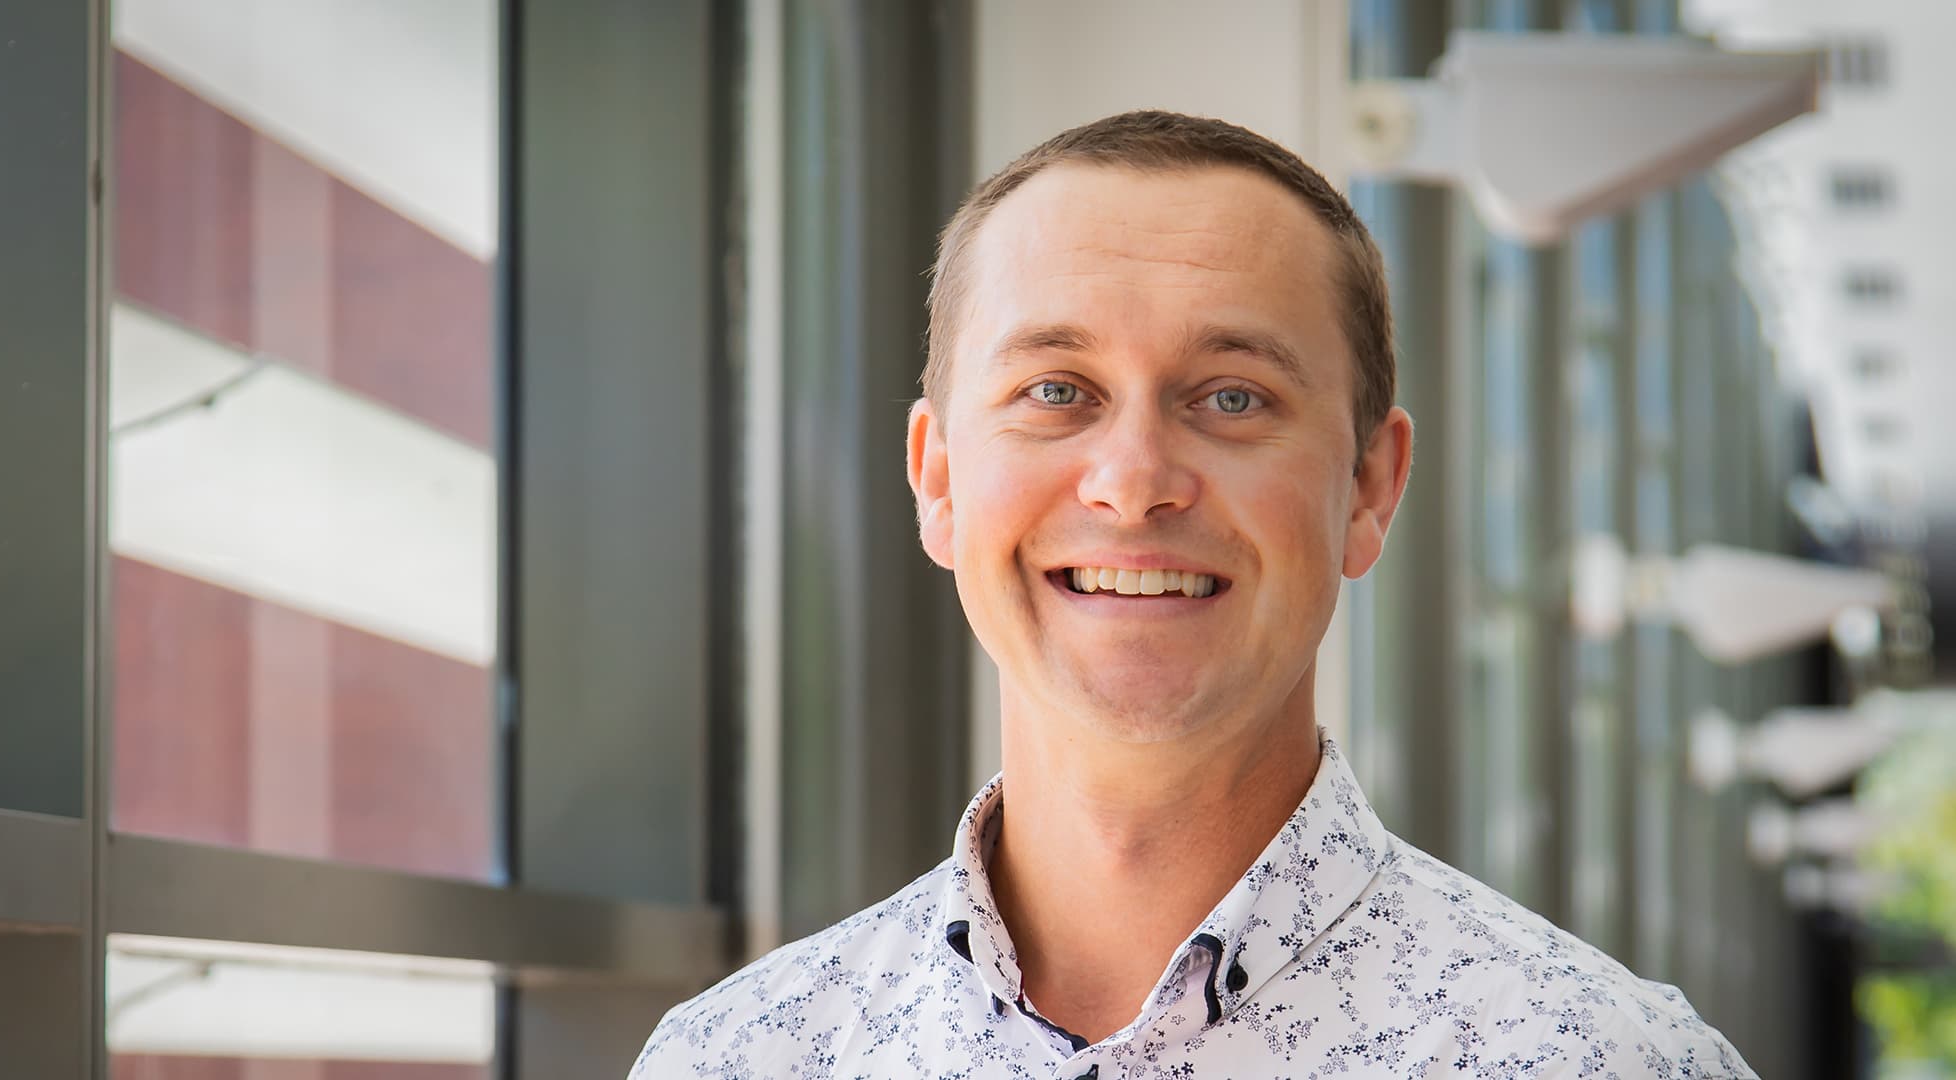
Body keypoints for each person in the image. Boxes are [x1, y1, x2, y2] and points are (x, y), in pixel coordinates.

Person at [632, 110, 1755, 1078]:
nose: (1134, 483)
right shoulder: (734, 1059)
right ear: (937, 482)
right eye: (1057, 390)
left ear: (1369, 486)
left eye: (1230, 398)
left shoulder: (1604, 1059)